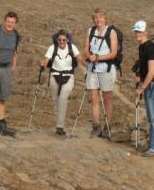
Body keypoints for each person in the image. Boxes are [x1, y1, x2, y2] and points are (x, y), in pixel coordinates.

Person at [40, 29, 83, 136]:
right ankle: (59, 126)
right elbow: (46, 60)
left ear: (67, 40)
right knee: (56, 101)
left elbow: (80, 58)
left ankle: (60, 127)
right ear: (57, 40)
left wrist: (89, 65)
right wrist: (43, 63)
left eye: (64, 40)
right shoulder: (52, 47)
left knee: (63, 99)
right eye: (60, 40)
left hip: (69, 76)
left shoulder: (72, 47)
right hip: (54, 75)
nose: (62, 42)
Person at [132, 20, 154, 156]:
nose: (137, 34)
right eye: (136, 31)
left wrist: (142, 88)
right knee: (152, 118)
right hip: (149, 85)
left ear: (145, 32)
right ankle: (153, 146)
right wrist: (141, 82)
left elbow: (151, 72)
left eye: (140, 31)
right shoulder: (142, 47)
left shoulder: (150, 47)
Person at [84, 9, 118, 138]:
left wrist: (98, 57)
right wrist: (90, 56)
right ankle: (96, 126)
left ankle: (108, 126)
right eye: (96, 18)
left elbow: (113, 53)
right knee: (94, 98)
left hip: (106, 68)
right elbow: (86, 49)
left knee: (107, 97)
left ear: (105, 19)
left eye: (101, 17)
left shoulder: (112, 33)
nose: (98, 20)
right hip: (93, 68)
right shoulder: (90, 31)